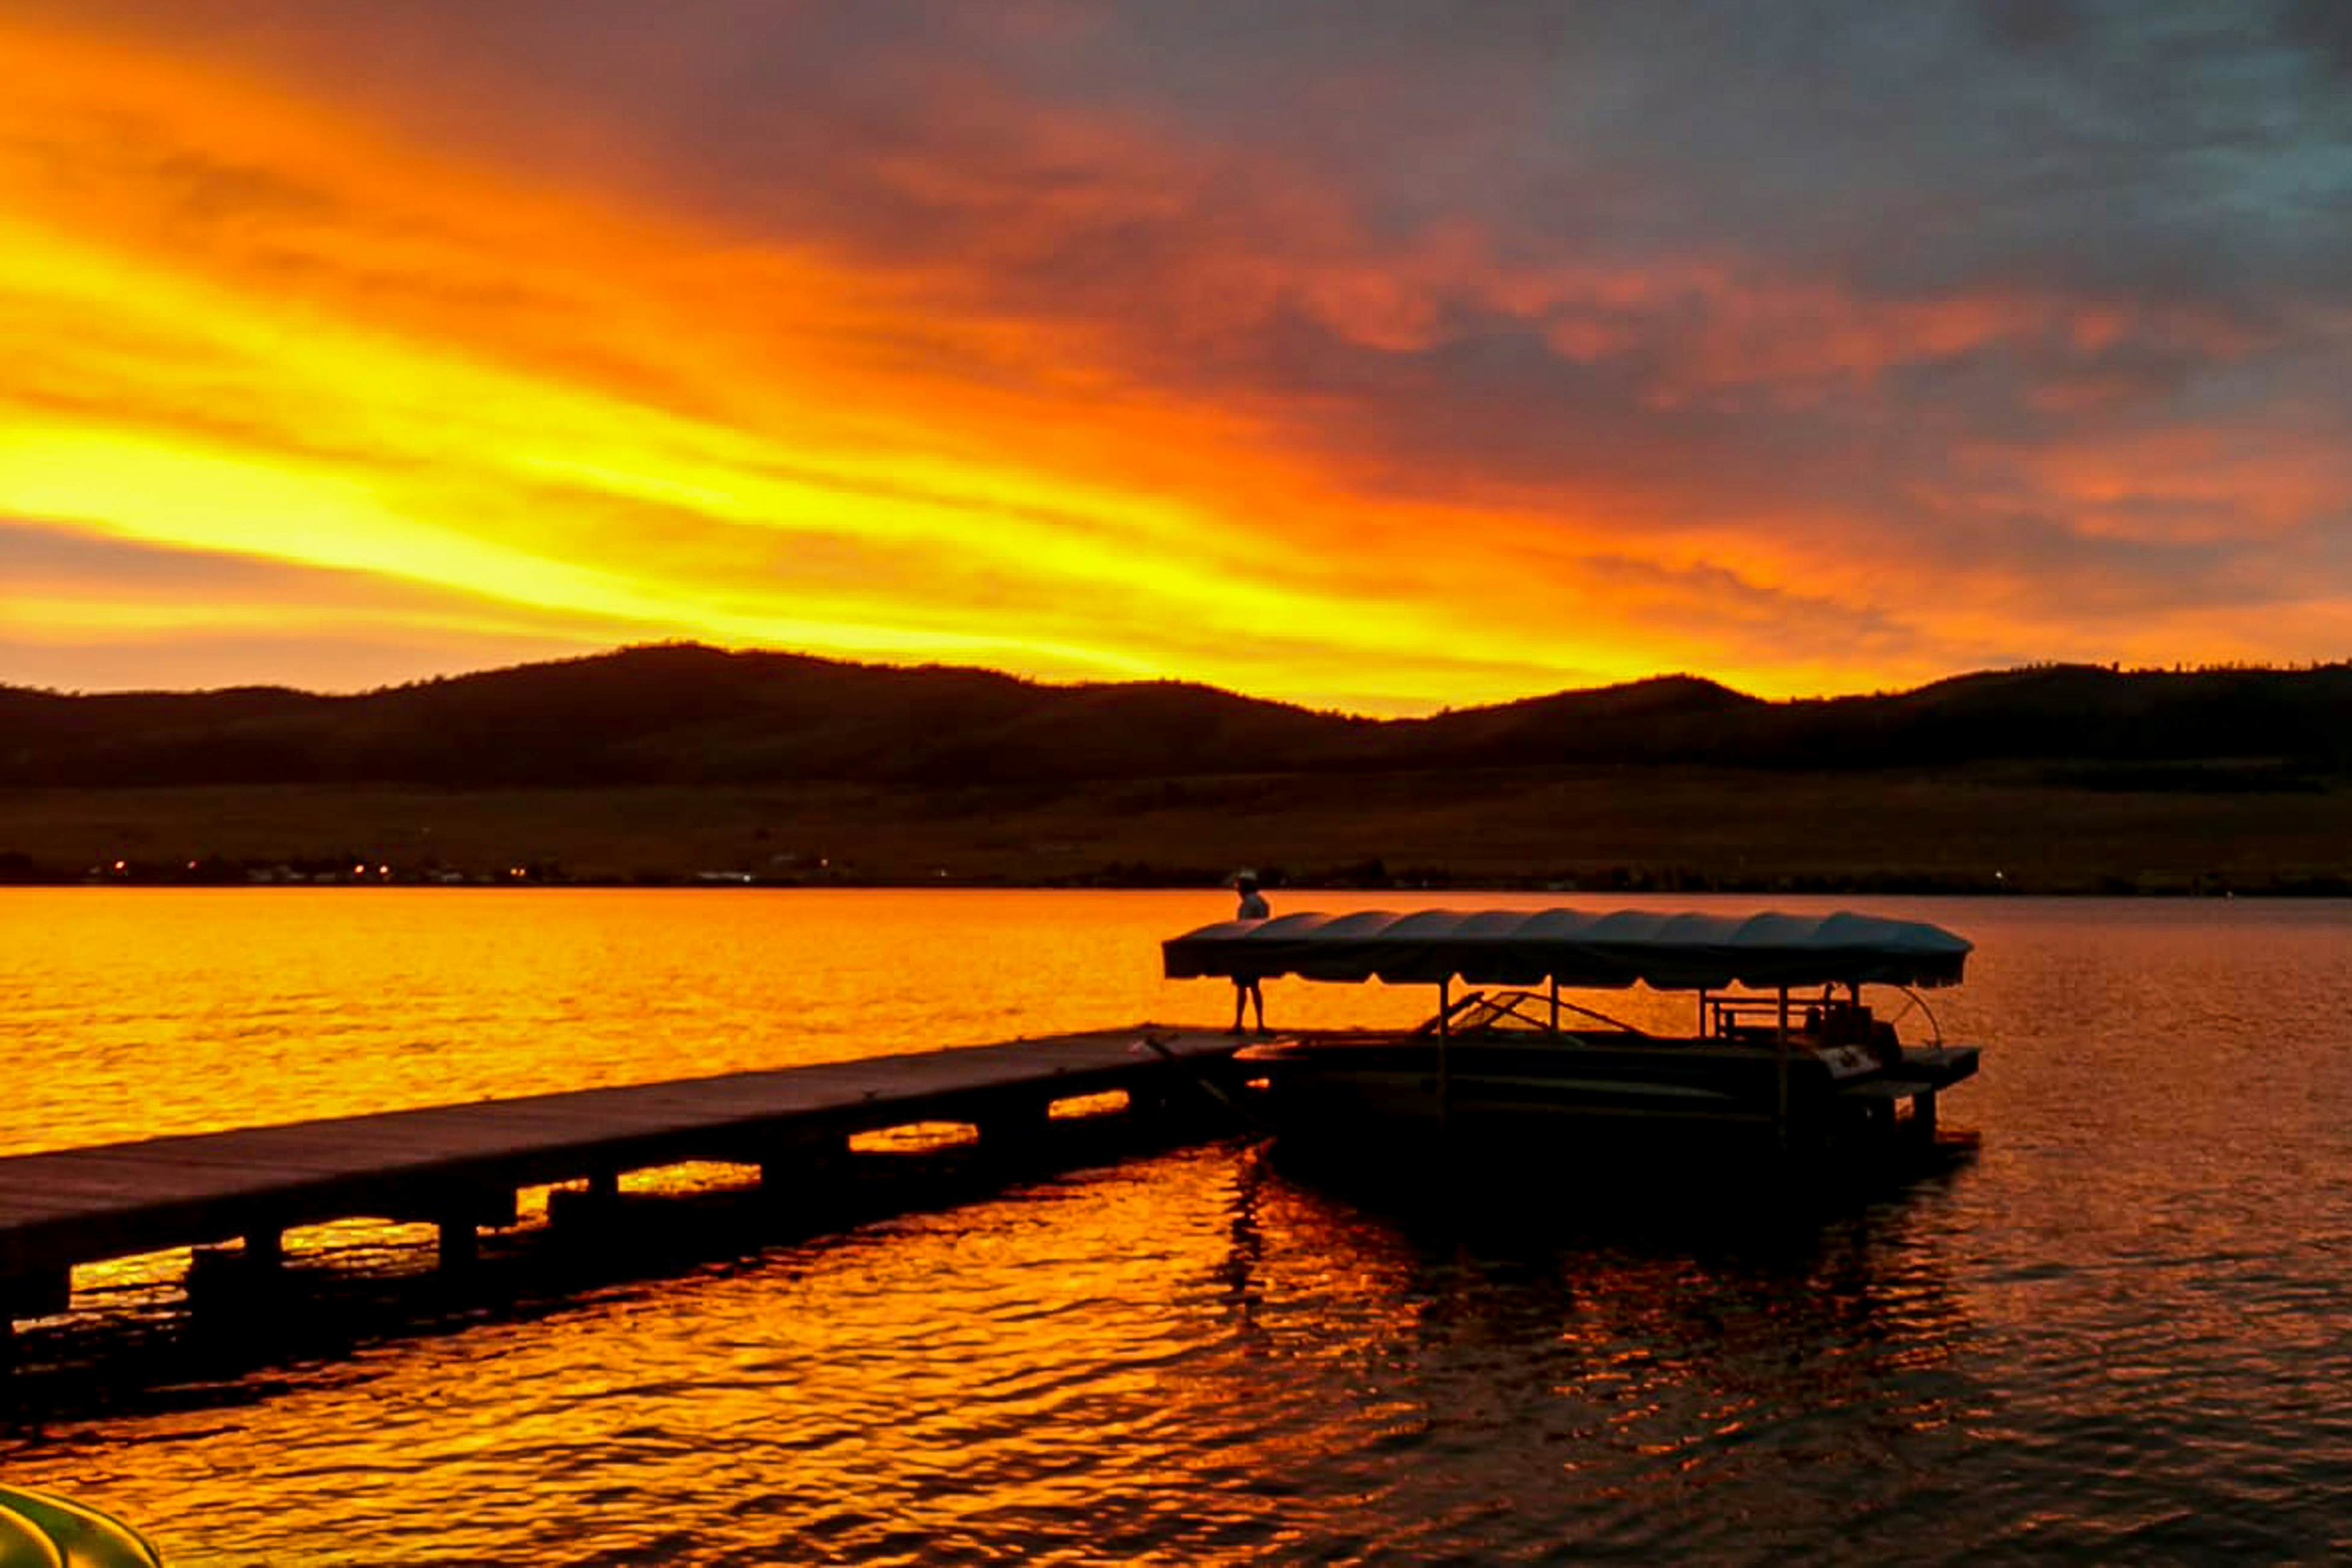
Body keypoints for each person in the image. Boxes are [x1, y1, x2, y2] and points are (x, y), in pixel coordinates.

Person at [1230, 872, 1269, 1034]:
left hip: (1246, 947)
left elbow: (1243, 926)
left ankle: (1239, 1024)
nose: (1237, 890)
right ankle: (1260, 1024)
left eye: (1238, 886)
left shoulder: (1248, 904)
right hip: (1259, 947)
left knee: (1242, 987)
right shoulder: (1263, 902)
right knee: (1255, 987)